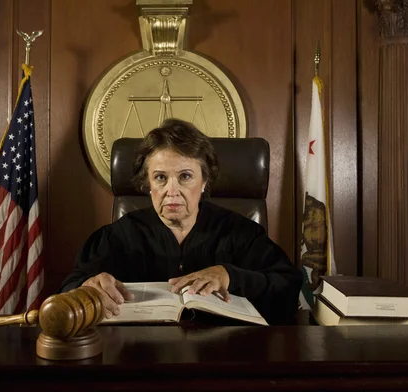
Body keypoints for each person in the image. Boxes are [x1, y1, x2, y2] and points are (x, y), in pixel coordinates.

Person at [60, 118, 302, 325]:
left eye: (185, 176)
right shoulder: (118, 236)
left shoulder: (241, 233)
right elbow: (69, 289)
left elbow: (288, 288)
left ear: (205, 181)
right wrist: (86, 287)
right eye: (160, 178)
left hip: (225, 359)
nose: (171, 190)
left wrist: (231, 276)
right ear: (148, 184)